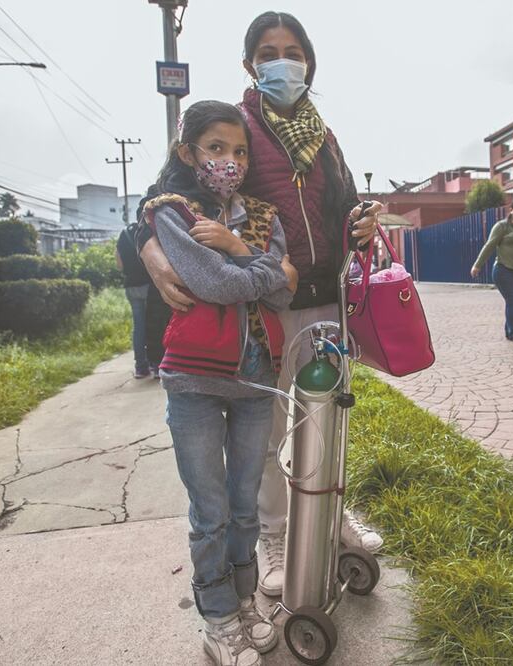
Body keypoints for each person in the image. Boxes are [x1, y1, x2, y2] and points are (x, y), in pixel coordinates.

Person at [134, 11, 385, 602]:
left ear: (309, 60)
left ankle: (330, 516)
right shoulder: (235, 129)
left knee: (327, 418)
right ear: (250, 63)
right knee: (270, 429)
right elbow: (159, 195)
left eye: (294, 51)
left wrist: (360, 219)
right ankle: (275, 534)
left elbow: (340, 205)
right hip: (267, 307)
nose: (284, 62)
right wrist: (146, 247)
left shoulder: (323, 135)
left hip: (326, 302)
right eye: (270, 51)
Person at [144, 99, 299, 666]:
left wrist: (238, 249)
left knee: (243, 510)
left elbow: (283, 294)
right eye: (215, 148)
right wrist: (261, 268)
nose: (228, 161)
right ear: (188, 153)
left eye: (238, 150)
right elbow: (215, 285)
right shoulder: (173, 213)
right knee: (209, 513)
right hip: (195, 382)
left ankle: (244, 604)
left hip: (257, 378)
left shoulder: (263, 214)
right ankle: (216, 619)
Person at [470, 197, 513, 346]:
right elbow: (490, 245)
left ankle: (509, 330)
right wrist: (477, 265)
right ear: (512, 210)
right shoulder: (502, 226)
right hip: (505, 270)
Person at [116, 225, 170, 379]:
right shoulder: (147, 232)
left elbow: (119, 264)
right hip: (149, 284)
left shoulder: (123, 234)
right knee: (155, 323)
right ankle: (156, 364)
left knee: (138, 326)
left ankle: (140, 367)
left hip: (131, 287)